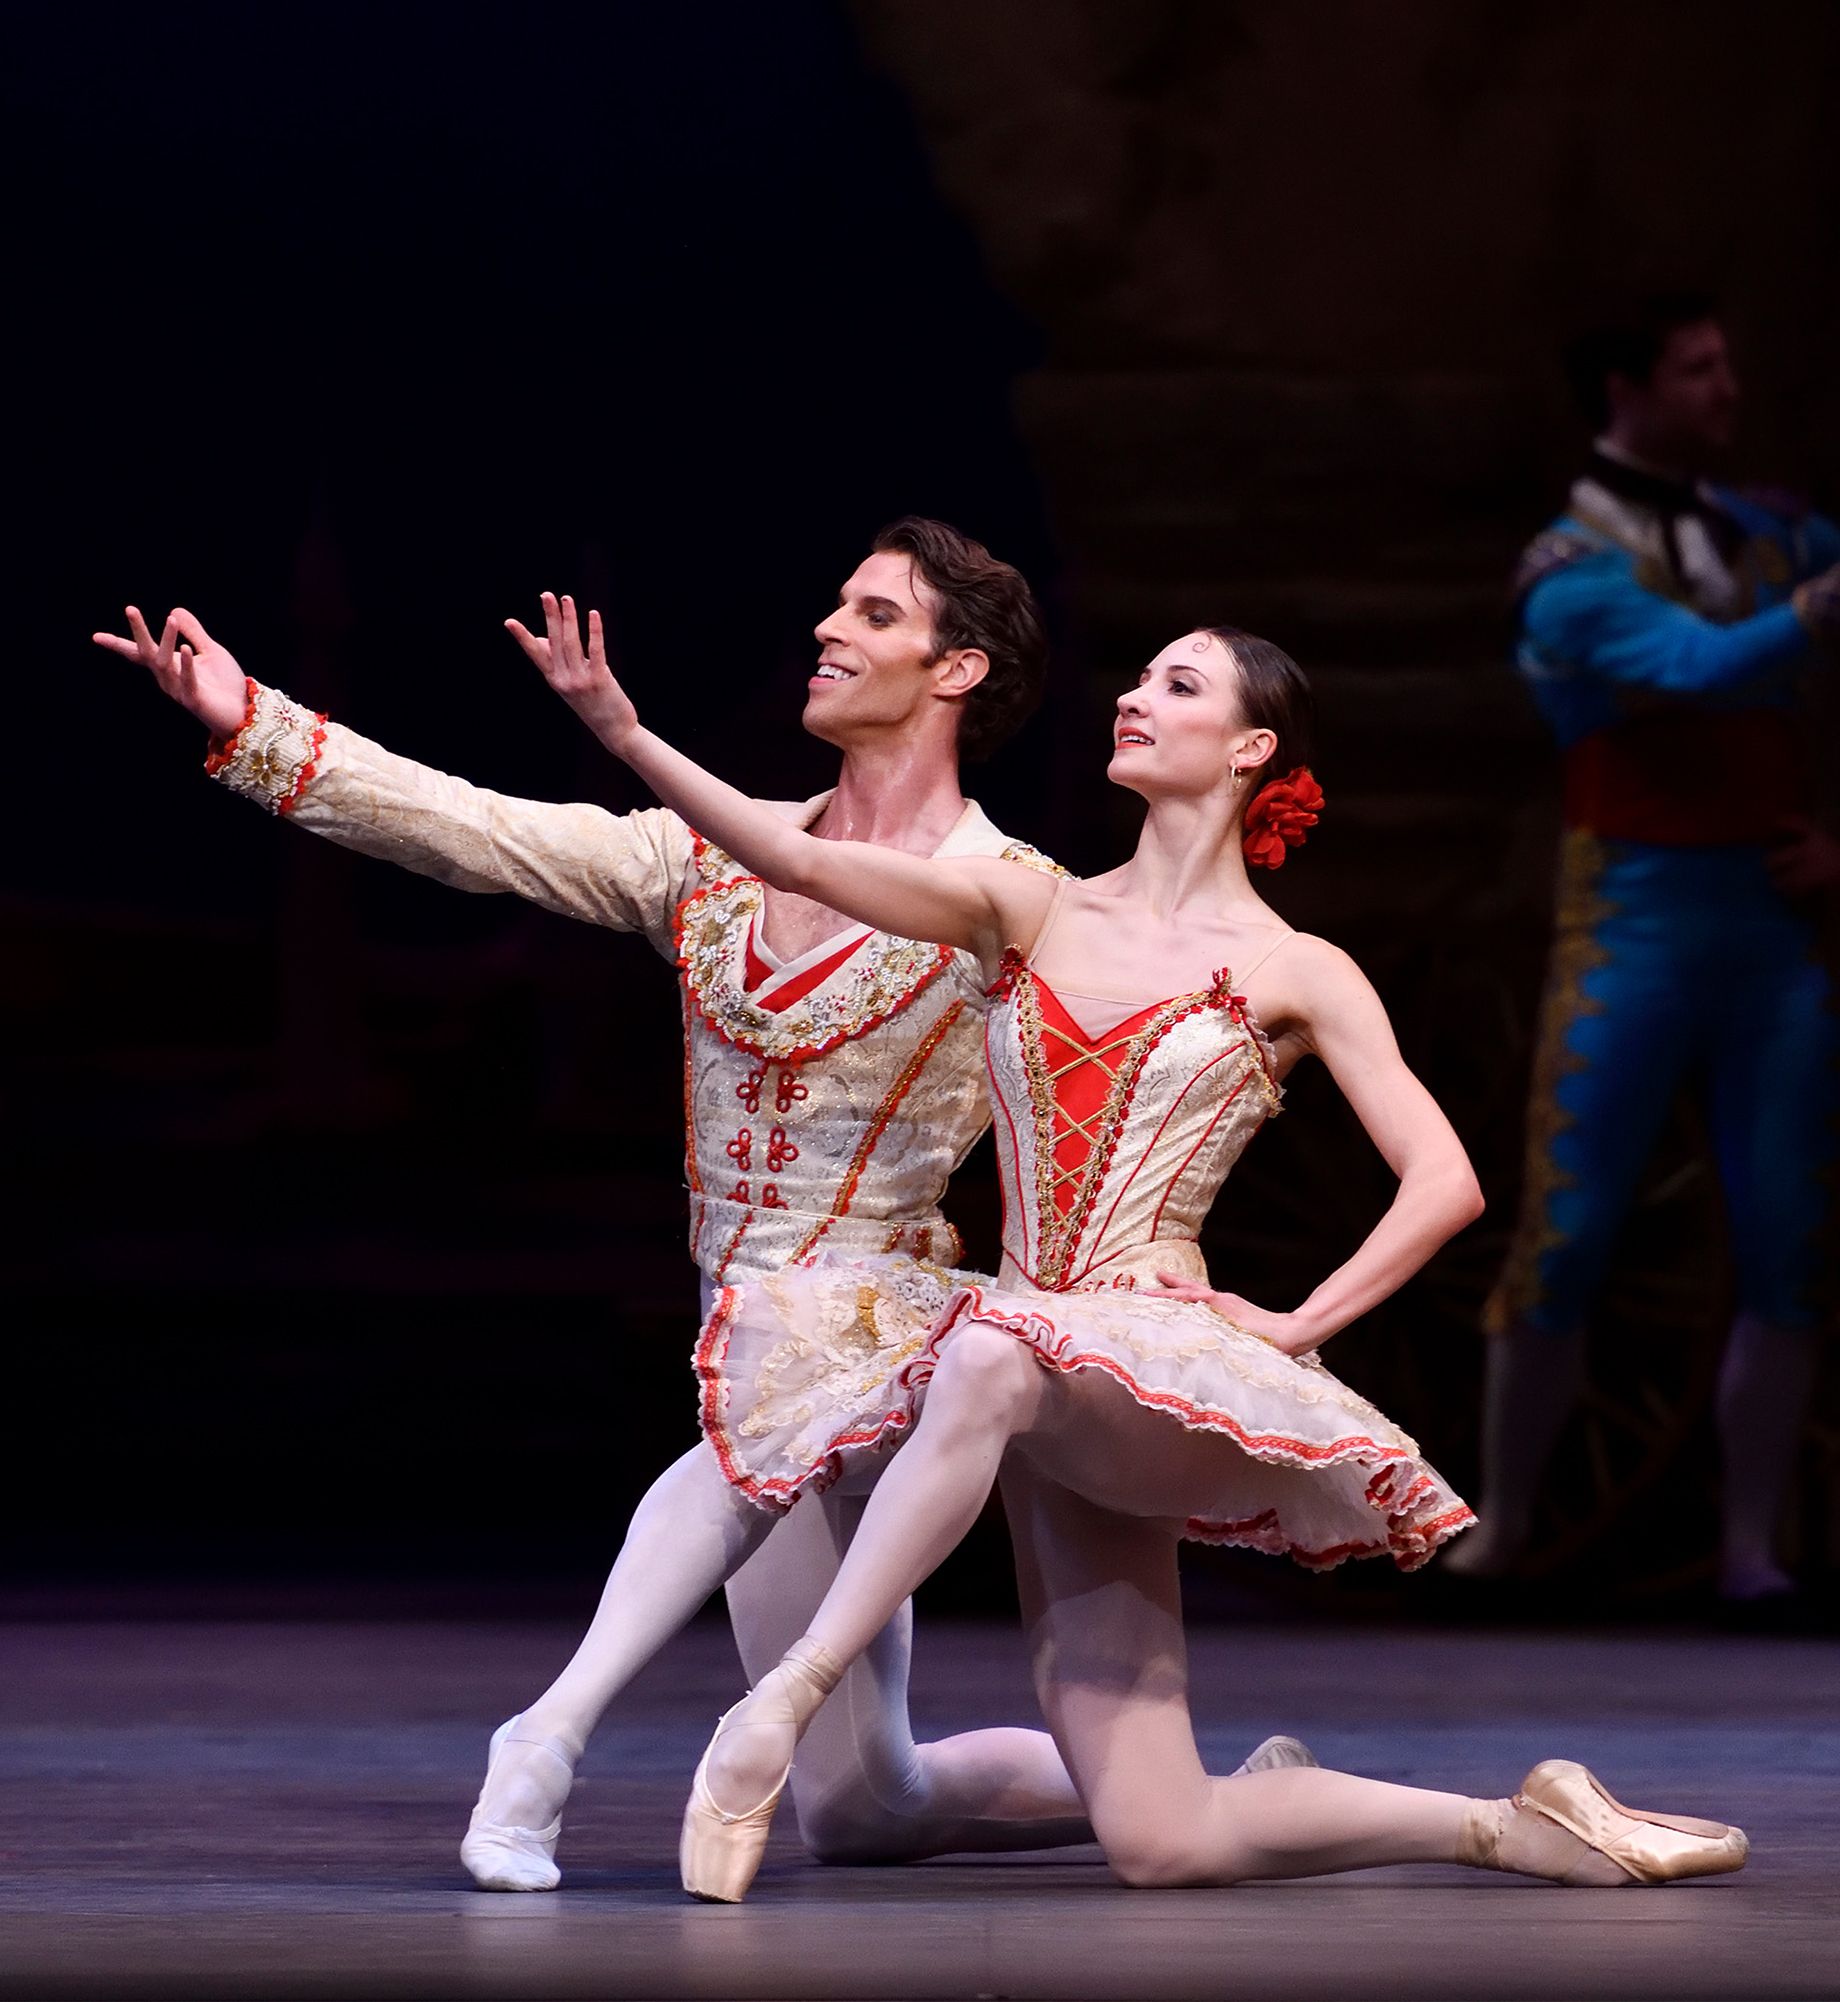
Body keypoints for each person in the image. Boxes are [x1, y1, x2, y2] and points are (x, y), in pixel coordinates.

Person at [95, 520, 1310, 1894]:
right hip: (748, 1347)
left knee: (786, 1380)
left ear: (956, 667)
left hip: (902, 1321)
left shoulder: (1016, 897)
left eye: (871, 611)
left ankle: (544, 1735)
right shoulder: (715, 859)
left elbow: (1130, 1084)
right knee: (863, 1800)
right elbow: (475, 830)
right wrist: (248, 719)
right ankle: (1200, 1800)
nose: (827, 628)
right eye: (834, 603)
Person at [524, 611, 1749, 1900]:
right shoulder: (1027, 903)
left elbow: (1445, 1181)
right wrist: (623, 732)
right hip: (1039, 1365)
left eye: (1179, 685)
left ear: (1249, 748)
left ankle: (778, 1707)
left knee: (987, 1349)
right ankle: (1512, 1823)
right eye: (1140, 677)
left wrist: (1295, 1325)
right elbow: (799, 860)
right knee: (1163, 1839)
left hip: (1141, 1355)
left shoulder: (1297, 967)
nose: (1135, 698)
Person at [1451, 294, 1840, 1599]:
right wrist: (1821, 606)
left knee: (1789, 1241)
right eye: (1701, 366)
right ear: (1627, 385)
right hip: (1633, 928)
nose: (1730, 386)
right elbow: (1692, 663)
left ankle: (1751, 1550)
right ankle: (1504, 1528)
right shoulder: (1569, 569)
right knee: (1566, 1234)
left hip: (1772, 937)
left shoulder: (1778, 532)